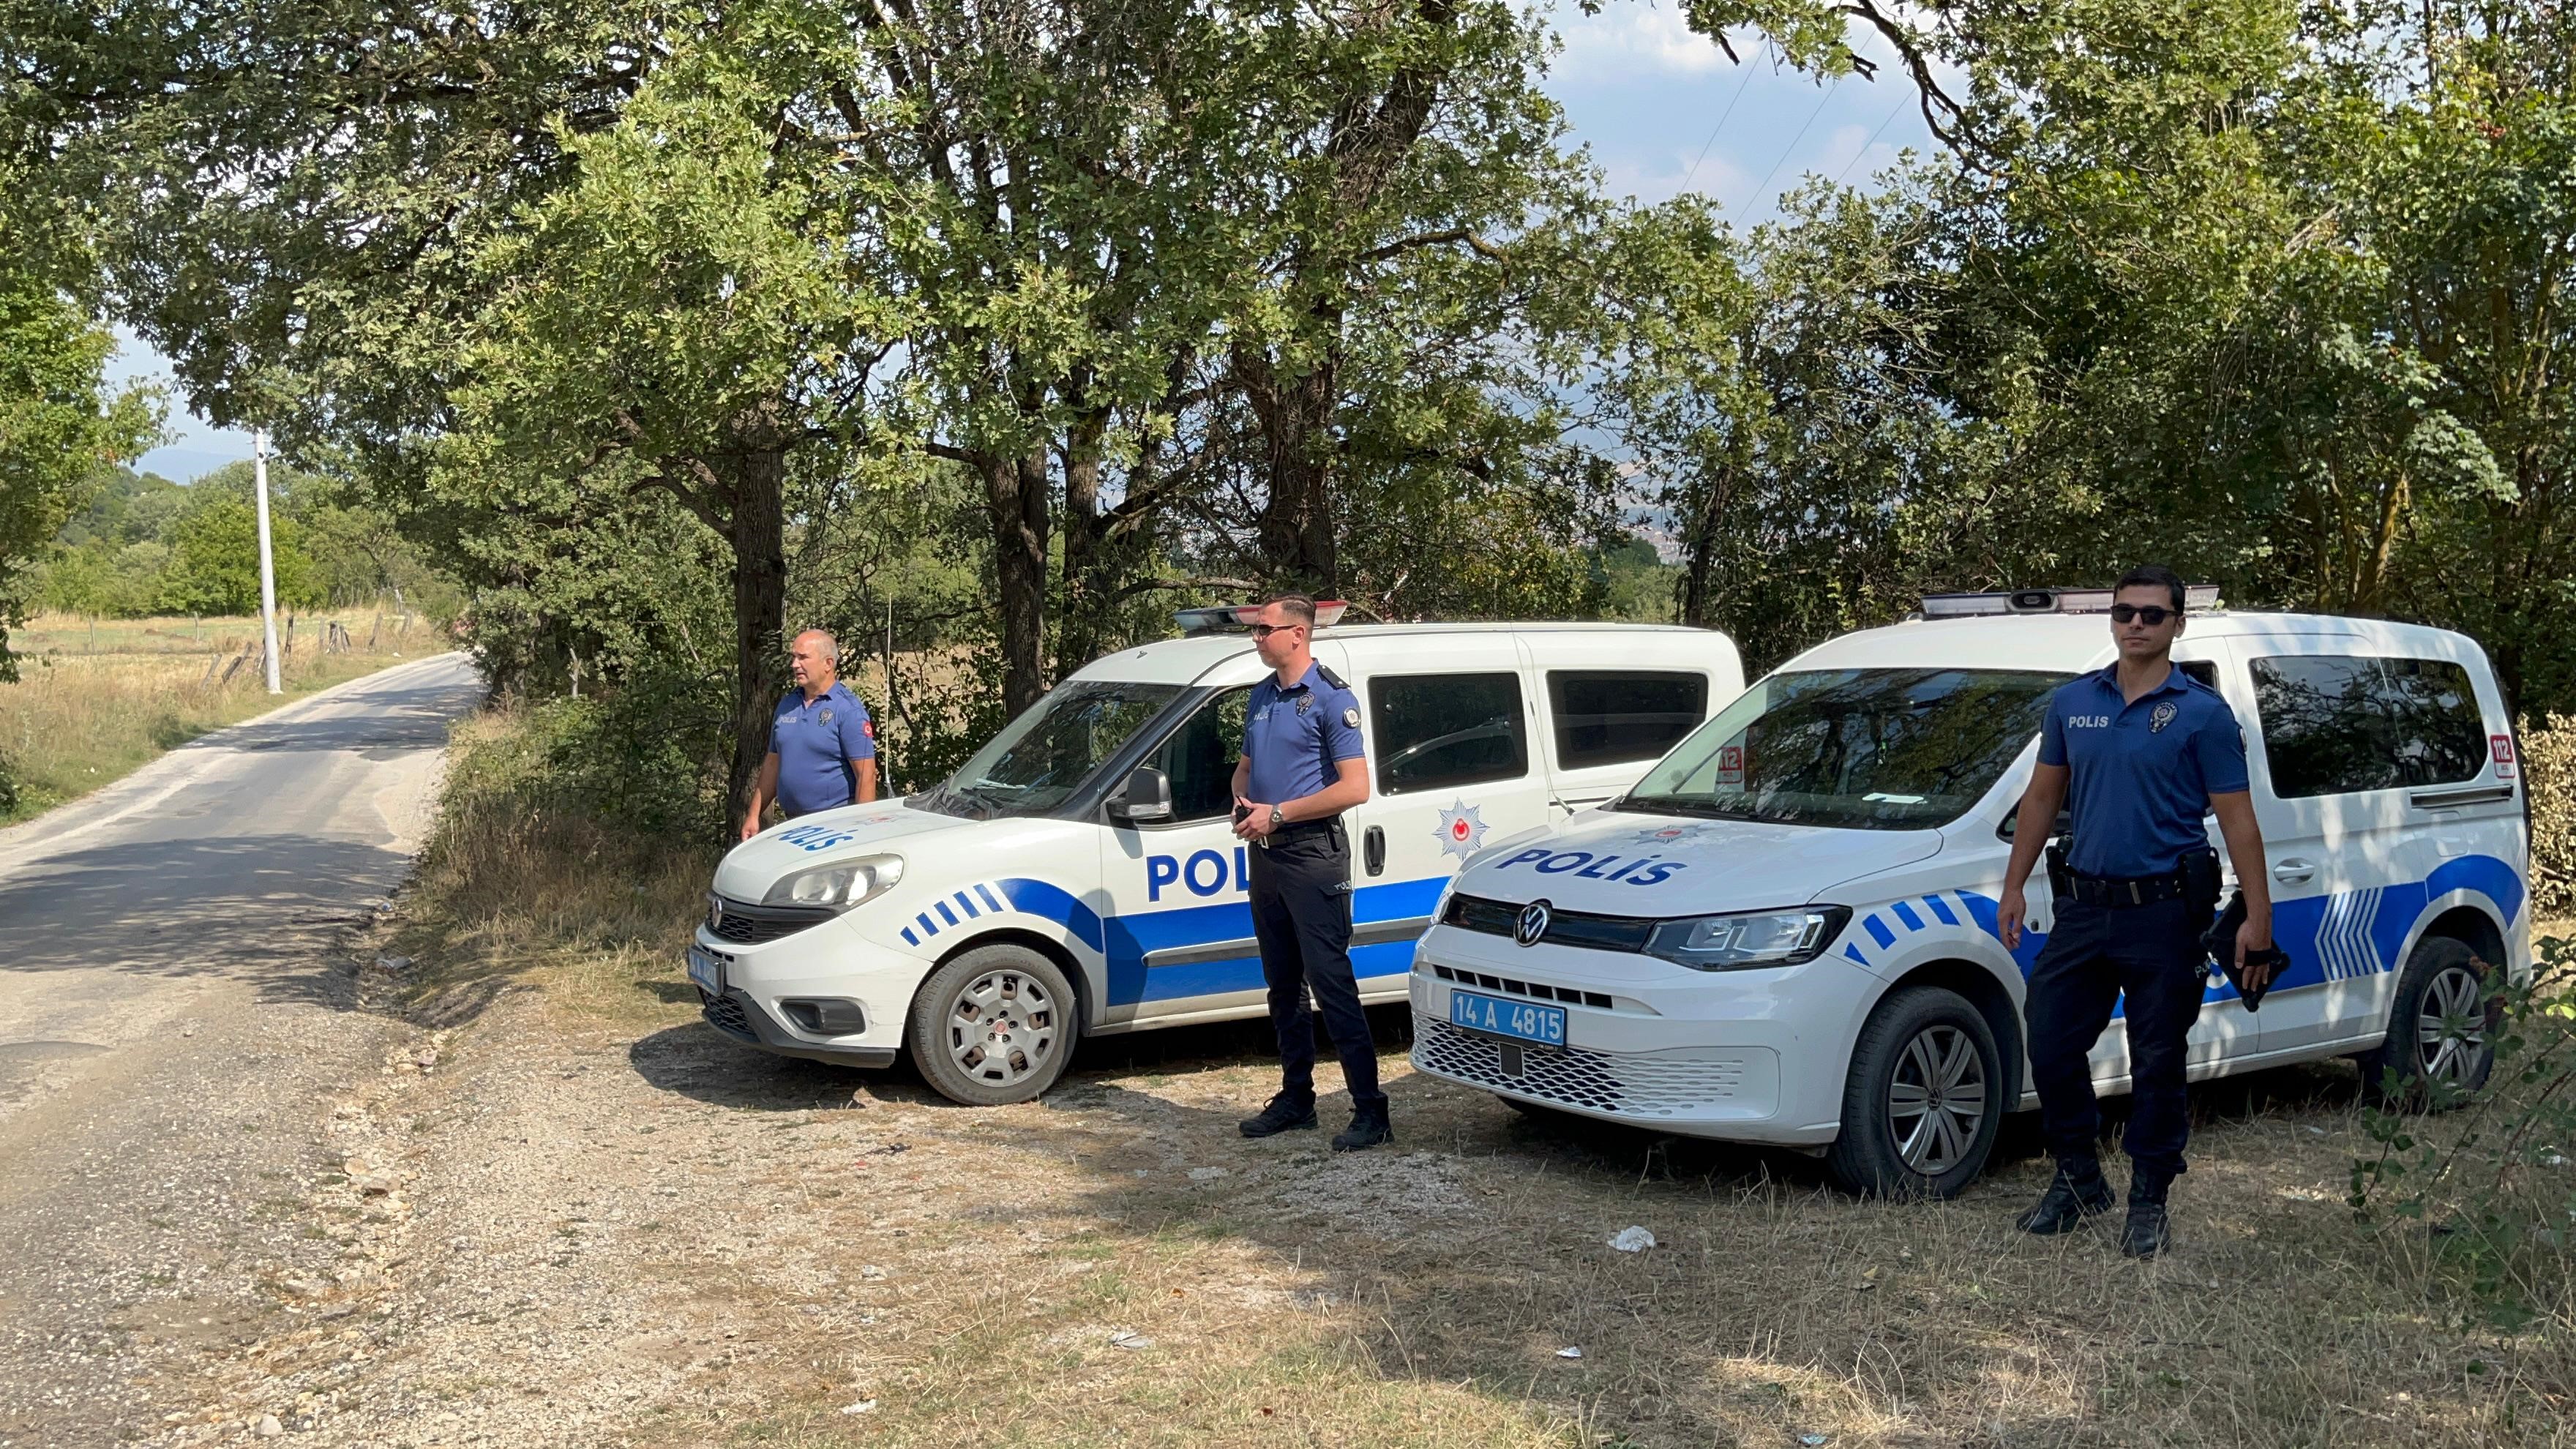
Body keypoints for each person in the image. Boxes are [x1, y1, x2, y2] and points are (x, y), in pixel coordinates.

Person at [1996, 565, 2274, 1258]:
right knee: (2051, 1041)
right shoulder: (2071, 704)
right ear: (2112, 621)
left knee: (2157, 1060)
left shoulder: (2204, 714)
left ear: (2178, 624)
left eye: (2153, 615)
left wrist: (2258, 919)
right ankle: (2079, 1178)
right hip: (2085, 909)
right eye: (2126, 613)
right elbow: (2039, 800)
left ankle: (2149, 1197)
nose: (2137, 625)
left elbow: (2240, 822)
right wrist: (2013, 886)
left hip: (2165, 913)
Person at [1229, 594, 1388, 1151]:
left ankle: (1371, 1109)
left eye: (1265, 630)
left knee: (1331, 982)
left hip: (1312, 855)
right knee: (1283, 986)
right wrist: (1244, 802)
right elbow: (1246, 767)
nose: (1256, 638)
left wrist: (1280, 813)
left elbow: (1355, 787)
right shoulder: (1261, 696)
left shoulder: (1329, 699)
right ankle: (1297, 1099)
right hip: (1268, 854)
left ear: (1298, 634)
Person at [741, 629, 879, 840]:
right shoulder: (788, 705)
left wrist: (863, 832)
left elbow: (866, 775)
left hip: (836, 827)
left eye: (803, 657)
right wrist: (753, 815)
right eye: (793, 657)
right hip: (793, 825)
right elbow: (772, 763)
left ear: (828, 664)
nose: (794, 665)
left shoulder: (848, 710)